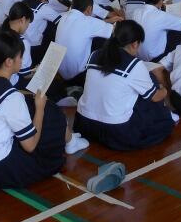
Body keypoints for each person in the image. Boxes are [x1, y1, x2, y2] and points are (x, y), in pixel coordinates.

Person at [0, 30, 89, 189]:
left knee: (26, 123)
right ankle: (70, 142)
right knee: (50, 157)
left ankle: (70, 140)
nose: (22, 60)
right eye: (20, 57)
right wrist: (40, 108)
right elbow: (30, 145)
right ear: (9, 62)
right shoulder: (11, 97)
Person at [74, 20, 174, 151]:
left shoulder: (95, 54)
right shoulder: (134, 64)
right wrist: (164, 90)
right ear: (135, 43)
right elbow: (155, 97)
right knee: (165, 122)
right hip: (115, 131)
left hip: (84, 124)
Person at [56, 0, 114, 86]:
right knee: (105, 41)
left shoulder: (64, 17)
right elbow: (113, 31)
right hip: (78, 75)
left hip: (60, 71)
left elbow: (92, 25)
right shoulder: (87, 21)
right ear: (89, 8)